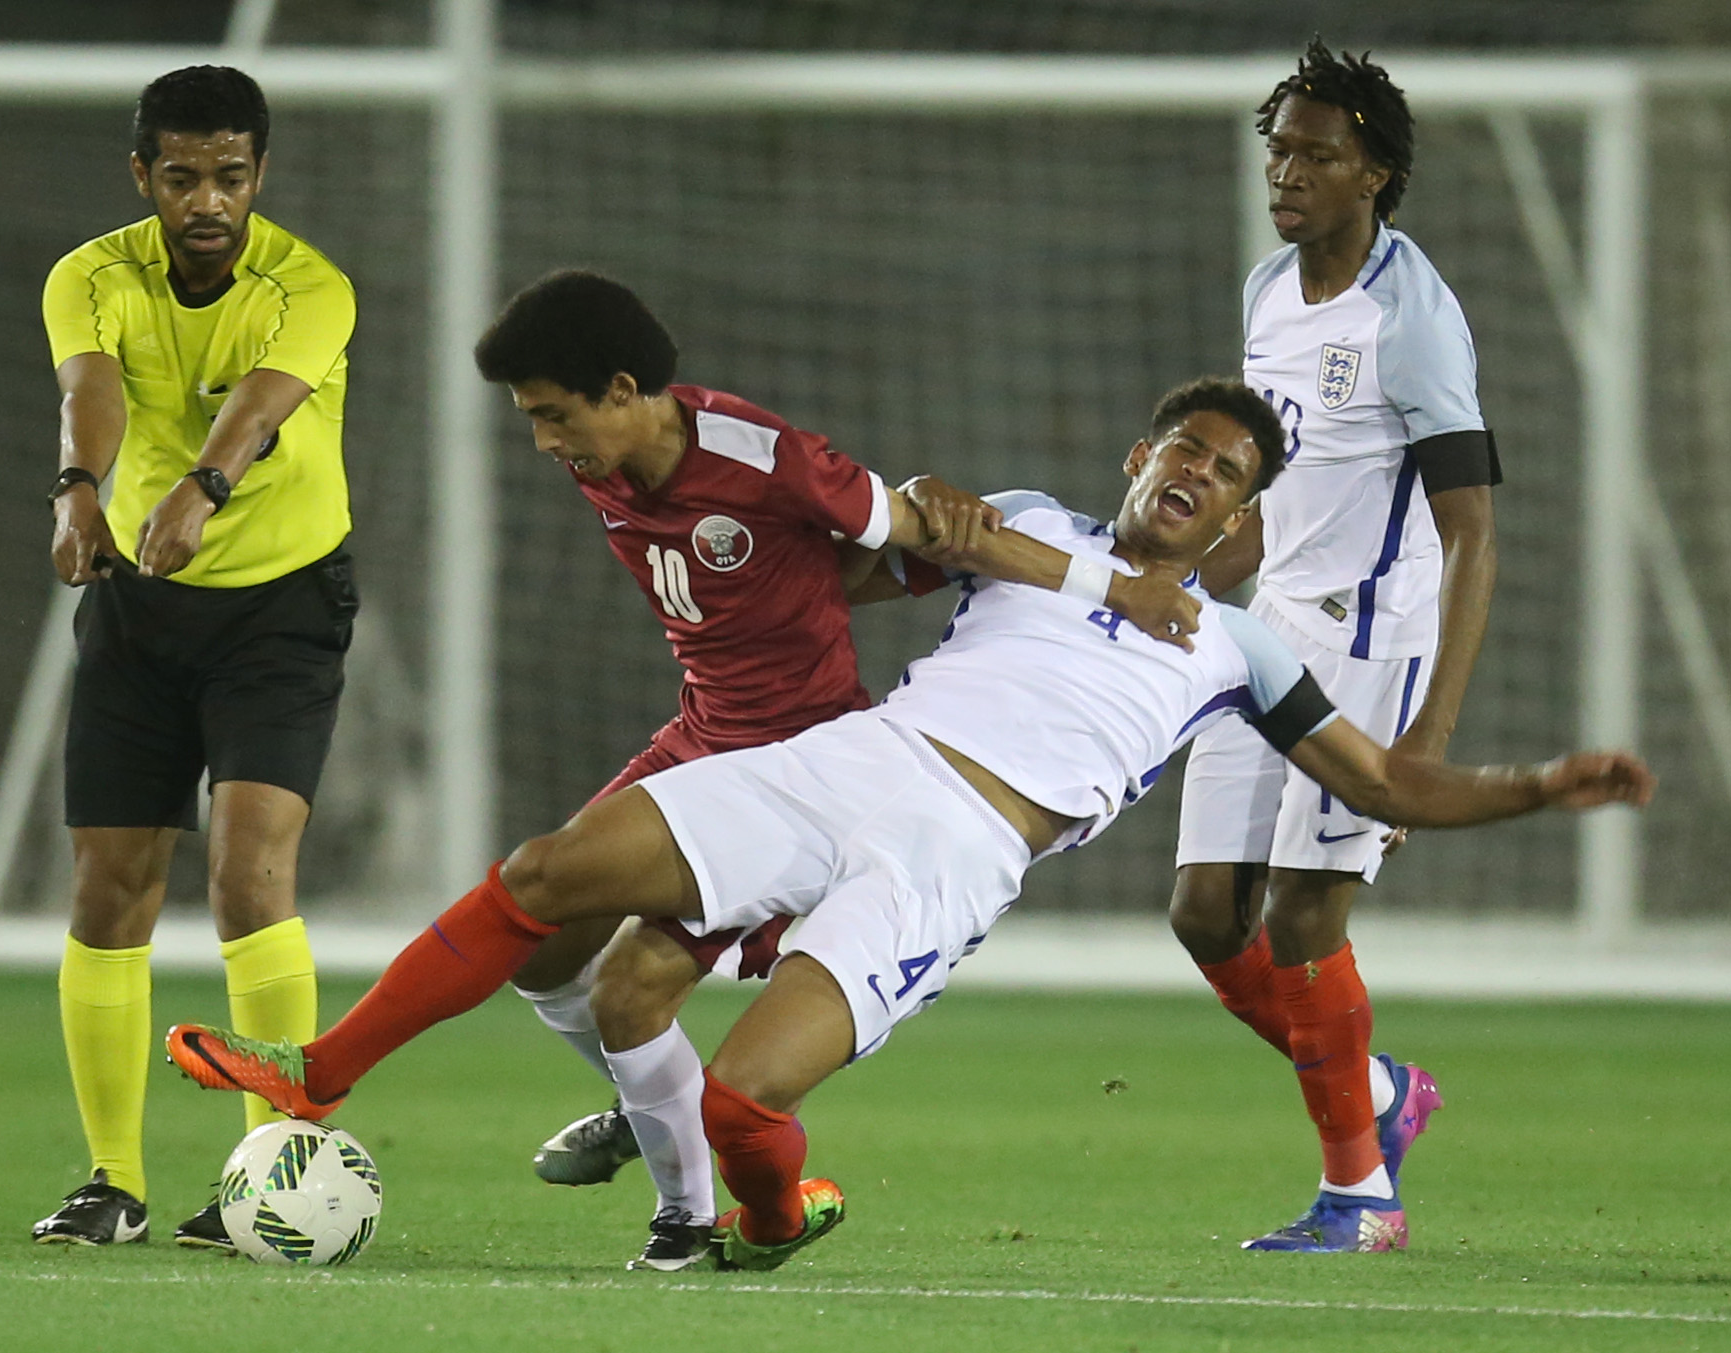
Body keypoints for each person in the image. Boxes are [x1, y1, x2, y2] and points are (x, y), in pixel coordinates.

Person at [165, 379, 1650, 1271]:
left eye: (1225, 476)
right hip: (845, 759)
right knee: (552, 870)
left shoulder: (1234, 650)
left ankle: (753, 1218)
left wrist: (1535, 788)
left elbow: (1383, 784)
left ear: (1237, 524)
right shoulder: (1030, 530)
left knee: (750, 1106)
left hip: (953, 859)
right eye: (1180, 451)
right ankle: (319, 1077)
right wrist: (884, 530)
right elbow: (845, 584)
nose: (1193, 477)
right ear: (1137, 459)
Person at [353, 268, 1192, 1271]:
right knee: (544, 950)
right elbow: (811, 573)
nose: (543, 441)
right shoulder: (606, 462)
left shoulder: (764, 458)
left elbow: (926, 537)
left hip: (805, 763)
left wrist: (1103, 581)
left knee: (631, 998)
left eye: (552, 414)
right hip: (705, 736)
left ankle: (697, 1214)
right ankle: (646, 1108)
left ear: (621, 391)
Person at [1165, 41, 1504, 1253]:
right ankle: (1376, 1091)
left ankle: (1361, 1197)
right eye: (1280, 148)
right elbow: (1279, 490)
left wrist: (1426, 747)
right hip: (1269, 634)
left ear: (1376, 172)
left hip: (1373, 645)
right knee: (1206, 913)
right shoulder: (1267, 292)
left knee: (1309, 917)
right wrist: (1192, 569)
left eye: (1318, 153)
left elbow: (1471, 538)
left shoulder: (1414, 318)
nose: (1287, 170)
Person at [30, 65, 358, 1251]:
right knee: (109, 886)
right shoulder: (91, 274)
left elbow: (262, 407)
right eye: (181, 178)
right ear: (143, 177)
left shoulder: (311, 286)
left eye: (228, 176)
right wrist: (80, 491)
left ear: (259, 175)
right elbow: (90, 389)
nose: (205, 199)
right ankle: (109, 1180)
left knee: (247, 876)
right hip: (139, 606)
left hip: (281, 607)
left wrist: (199, 489)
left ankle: (275, 1172)